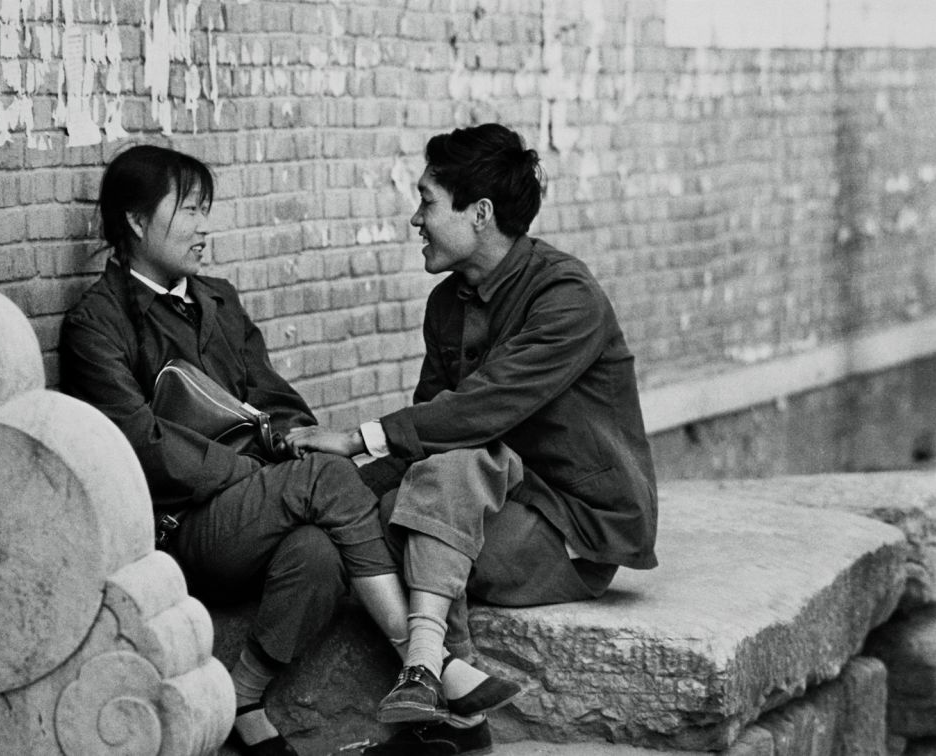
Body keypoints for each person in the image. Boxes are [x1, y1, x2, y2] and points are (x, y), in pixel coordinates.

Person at [59, 144, 517, 756]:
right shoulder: (97, 322)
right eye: (189, 211)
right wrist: (253, 474)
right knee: (326, 479)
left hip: (255, 510)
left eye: (206, 210)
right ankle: (425, 664)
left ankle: (245, 696)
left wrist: (286, 447)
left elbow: (276, 400)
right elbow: (141, 445)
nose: (204, 227)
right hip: (181, 525)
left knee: (318, 552)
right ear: (137, 222)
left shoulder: (217, 299)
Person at [287, 123, 659, 755]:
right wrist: (331, 484)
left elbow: (481, 412)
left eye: (428, 200)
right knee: (366, 510)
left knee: (441, 480)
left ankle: (437, 687)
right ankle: (446, 693)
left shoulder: (567, 297)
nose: (415, 218)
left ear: (479, 213)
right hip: (488, 500)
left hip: (573, 527)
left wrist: (356, 439)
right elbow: (430, 426)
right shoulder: (448, 304)